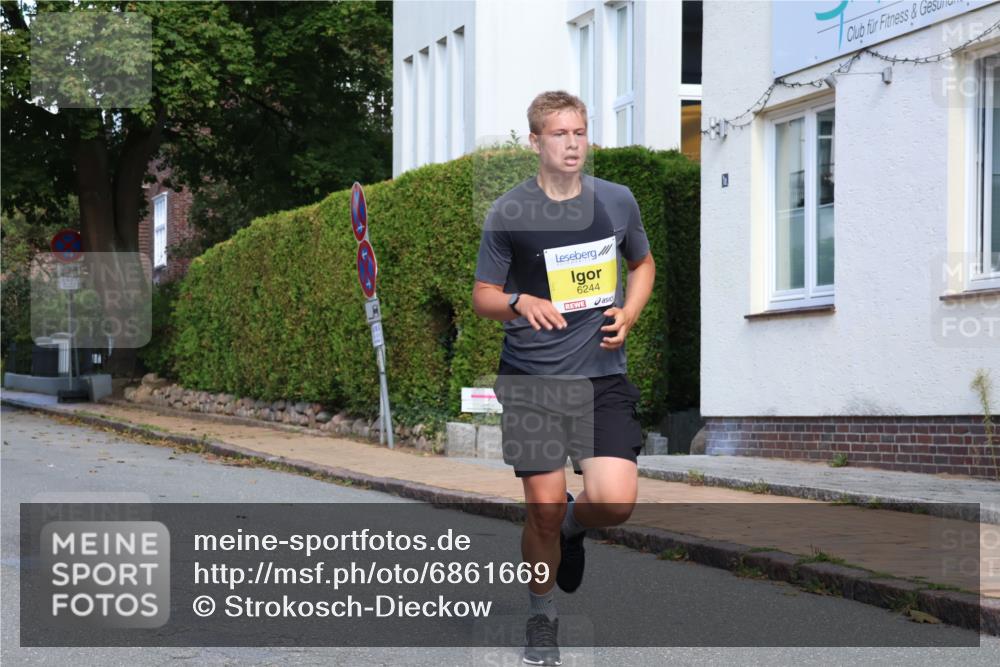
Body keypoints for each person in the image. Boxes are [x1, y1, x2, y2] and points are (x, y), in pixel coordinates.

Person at [471, 90, 655, 666]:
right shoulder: (508, 212)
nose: (572, 143)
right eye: (559, 134)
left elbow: (641, 264)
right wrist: (521, 301)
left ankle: (577, 527)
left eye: (579, 132)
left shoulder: (617, 202)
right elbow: (483, 297)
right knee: (542, 507)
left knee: (615, 500)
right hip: (531, 379)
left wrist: (630, 313)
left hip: (601, 377)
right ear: (535, 142)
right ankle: (542, 615)